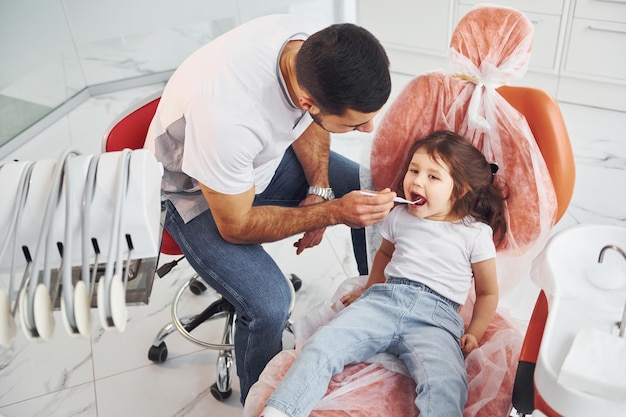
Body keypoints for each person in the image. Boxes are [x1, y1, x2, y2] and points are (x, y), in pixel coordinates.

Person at [143, 14, 396, 403]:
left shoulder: (308, 46)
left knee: (367, 186)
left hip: (257, 163)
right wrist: (331, 213)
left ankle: (375, 308)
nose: (369, 130)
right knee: (269, 303)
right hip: (194, 197)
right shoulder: (229, 117)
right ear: (309, 100)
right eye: (357, 124)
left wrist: (321, 188)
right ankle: (262, 405)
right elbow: (236, 225)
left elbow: (311, 122)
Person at [259, 130, 508, 417]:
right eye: (414, 170)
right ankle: (282, 410)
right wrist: (369, 288)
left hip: (437, 320)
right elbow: (386, 254)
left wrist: (474, 332)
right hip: (384, 300)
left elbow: (488, 292)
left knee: (447, 382)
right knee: (324, 342)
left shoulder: (475, 234)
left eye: (433, 176)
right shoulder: (399, 217)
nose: (416, 180)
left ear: (460, 190)